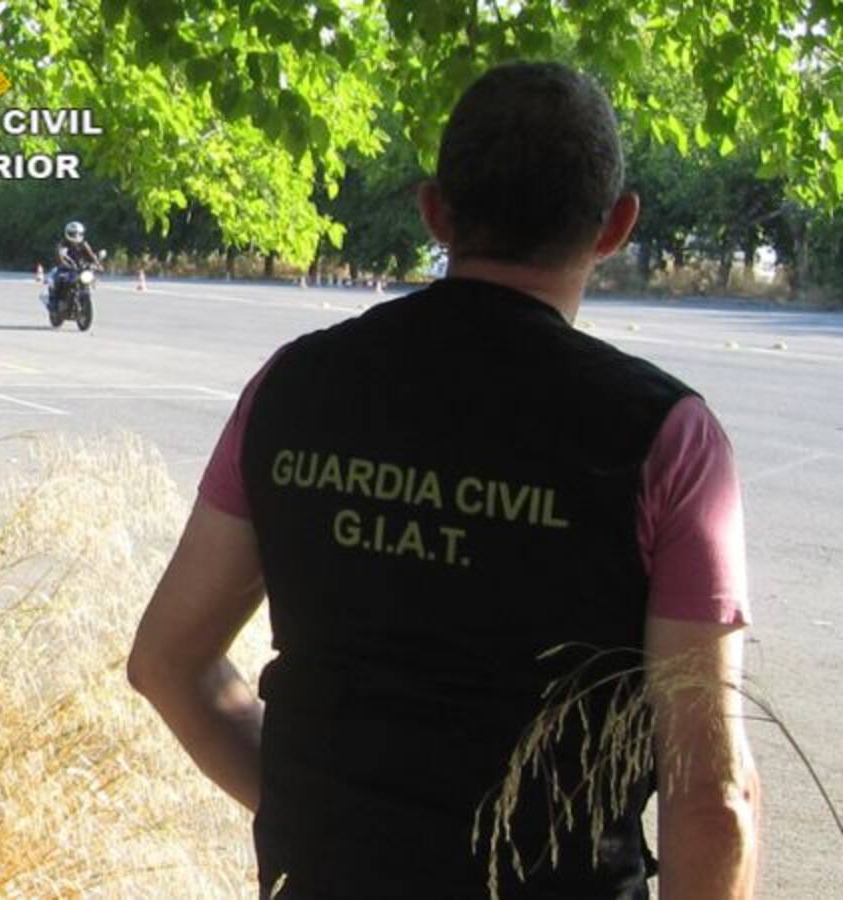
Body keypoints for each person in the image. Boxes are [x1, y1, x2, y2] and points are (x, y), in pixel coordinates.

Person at [129, 61, 759, 900]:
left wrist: (330, 821)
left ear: (435, 211)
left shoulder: (293, 387)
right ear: (615, 226)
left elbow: (168, 661)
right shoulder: (667, 437)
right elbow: (711, 797)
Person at [48, 220, 101, 311]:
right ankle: (55, 303)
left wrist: (97, 264)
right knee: (59, 280)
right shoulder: (62, 244)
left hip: (80, 268)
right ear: (68, 233)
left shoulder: (83, 244)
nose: (76, 236)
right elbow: (59, 256)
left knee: (88, 278)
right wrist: (64, 264)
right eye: (73, 234)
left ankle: (82, 301)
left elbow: (91, 255)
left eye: (79, 234)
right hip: (65, 269)